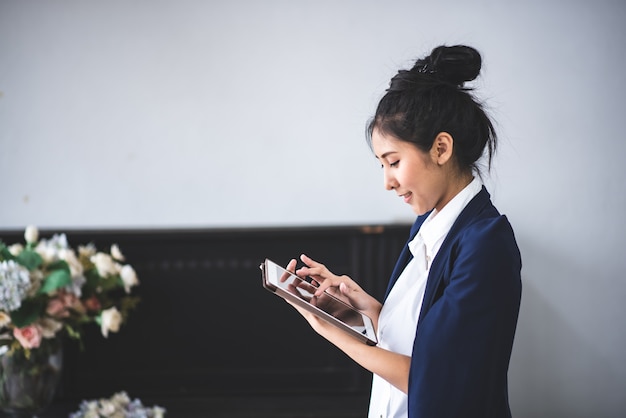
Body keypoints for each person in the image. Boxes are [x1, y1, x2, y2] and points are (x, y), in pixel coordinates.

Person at [283, 44, 522, 418]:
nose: (387, 182)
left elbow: (434, 378)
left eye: (393, 162)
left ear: (441, 148)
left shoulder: (485, 242)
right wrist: (362, 307)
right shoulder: (428, 225)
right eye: (381, 165)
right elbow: (423, 341)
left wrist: (332, 331)